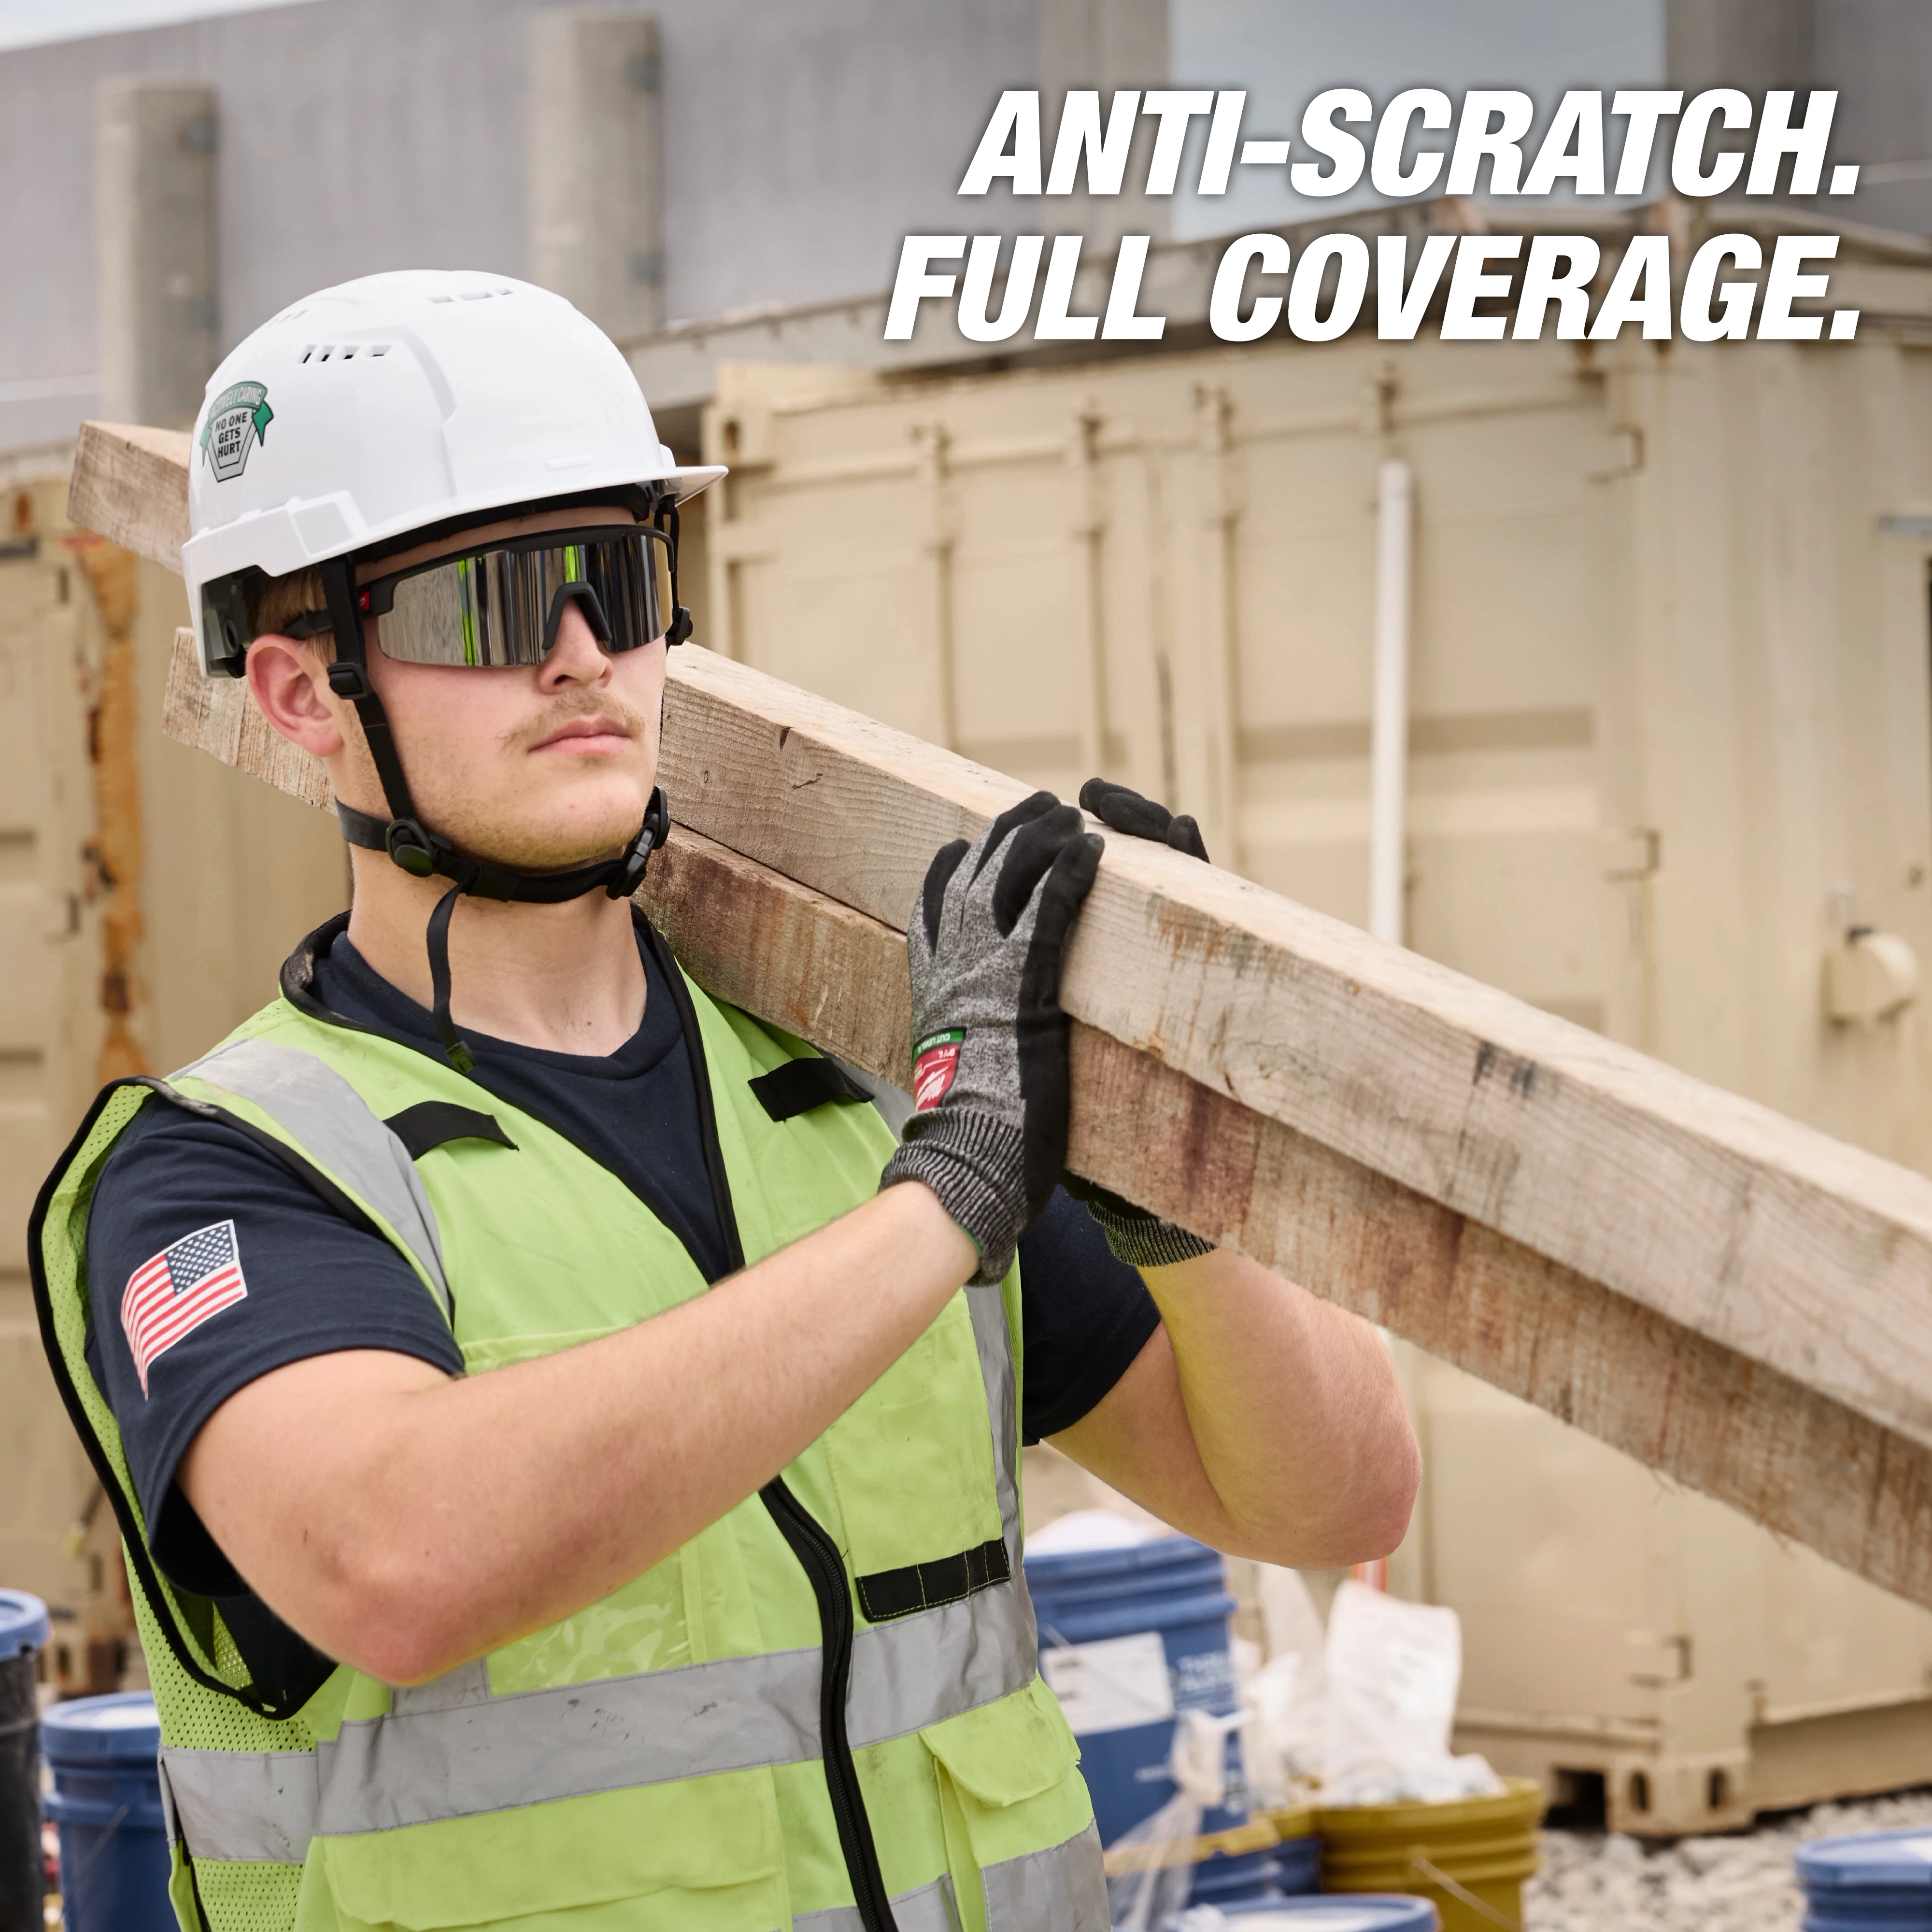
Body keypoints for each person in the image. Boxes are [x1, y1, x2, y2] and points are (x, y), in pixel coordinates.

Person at [34, 270, 1419, 1932]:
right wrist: (951, 1197)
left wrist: (1169, 1183)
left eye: (612, 581)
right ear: (302, 694)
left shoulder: (854, 1093)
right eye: (485, 600)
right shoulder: (228, 1173)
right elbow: (397, 1566)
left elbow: (1326, 1505)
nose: (575, 656)